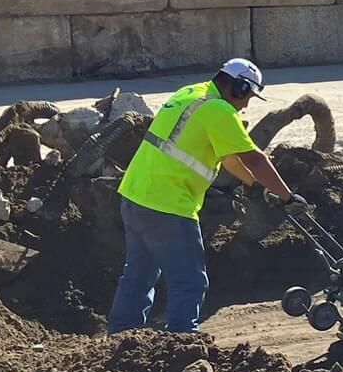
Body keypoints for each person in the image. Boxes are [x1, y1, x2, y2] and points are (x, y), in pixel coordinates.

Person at [109, 57, 304, 334]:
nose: (246, 104)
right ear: (237, 87)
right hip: (169, 204)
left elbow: (230, 159)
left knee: (138, 276)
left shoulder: (190, 93)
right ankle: (183, 342)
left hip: (135, 195)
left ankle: (120, 338)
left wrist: (256, 186)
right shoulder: (219, 111)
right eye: (247, 96)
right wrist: (286, 196)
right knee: (189, 280)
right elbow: (255, 158)